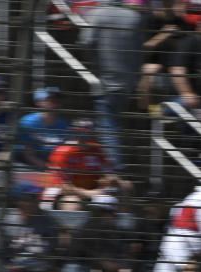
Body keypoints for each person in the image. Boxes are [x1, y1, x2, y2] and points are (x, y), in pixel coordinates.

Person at [79, 0, 146, 172]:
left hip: (106, 81)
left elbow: (86, 42)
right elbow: (140, 51)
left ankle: (114, 171)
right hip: (128, 82)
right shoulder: (134, 17)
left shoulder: (97, 14)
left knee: (107, 128)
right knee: (113, 125)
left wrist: (93, 63)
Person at [46, 119, 119, 201]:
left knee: (125, 185)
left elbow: (108, 174)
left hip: (95, 189)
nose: (83, 137)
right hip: (67, 193)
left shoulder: (98, 149)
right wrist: (88, 193)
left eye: (88, 133)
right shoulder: (62, 152)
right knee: (73, 202)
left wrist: (106, 186)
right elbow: (60, 184)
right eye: (79, 133)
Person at [16, 87, 71, 170]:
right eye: (50, 100)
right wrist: (49, 169)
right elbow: (28, 155)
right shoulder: (28, 122)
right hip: (29, 167)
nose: (55, 103)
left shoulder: (64, 124)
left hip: (53, 167)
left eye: (58, 100)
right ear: (39, 102)